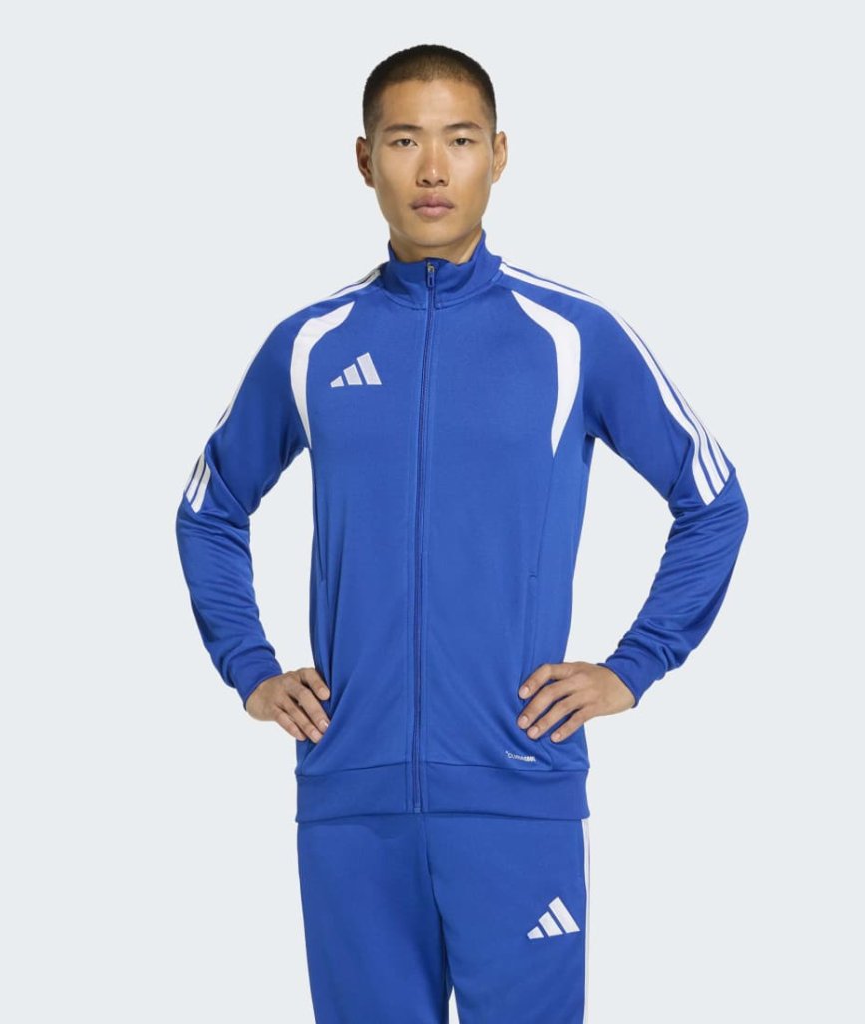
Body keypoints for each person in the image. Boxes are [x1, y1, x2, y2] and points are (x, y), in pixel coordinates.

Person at [175, 43, 749, 1024]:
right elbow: (209, 508)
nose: (433, 169)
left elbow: (712, 501)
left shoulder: (569, 334)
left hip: (515, 786)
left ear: (499, 154)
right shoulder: (312, 343)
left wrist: (634, 665)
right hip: (351, 797)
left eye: (460, 140)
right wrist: (251, 669)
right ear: (366, 160)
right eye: (405, 141)